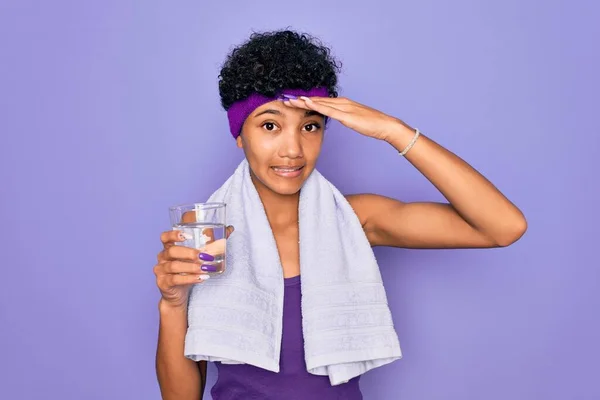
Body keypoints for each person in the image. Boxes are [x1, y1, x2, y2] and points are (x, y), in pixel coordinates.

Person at [153, 29, 527, 400]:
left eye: (310, 126)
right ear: (240, 134)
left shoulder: (353, 219)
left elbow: (503, 227)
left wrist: (393, 132)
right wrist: (173, 304)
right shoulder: (207, 235)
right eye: (270, 125)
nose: (293, 150)